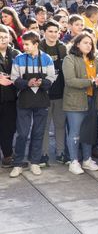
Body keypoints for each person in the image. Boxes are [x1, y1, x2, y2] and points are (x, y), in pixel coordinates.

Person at [9, 31, 55, 178]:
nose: (24, 47)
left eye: (27, 44)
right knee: (22, 133)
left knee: (38, 132)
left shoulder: (47, 58)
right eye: (23, 44)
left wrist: (42, 82)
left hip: (41, 99)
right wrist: (27, 83)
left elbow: (52, 78)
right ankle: (17, 164)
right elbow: (14, 79)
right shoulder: (19, 58)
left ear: (36, 44)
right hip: (24, 100)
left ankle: (34, 162)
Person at [62, 32, 98, 175]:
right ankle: (73, 161)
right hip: (75, 102)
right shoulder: (69, 59)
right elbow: (70, 81)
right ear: (77, 44)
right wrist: (91, 82)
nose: (88, 45)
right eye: (85, 42)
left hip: (92, 100)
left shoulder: (95, 60)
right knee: (75, 132)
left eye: (90, 43)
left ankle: (87, 160)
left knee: (88, 131)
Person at [39, 20, 68, 165]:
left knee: (60, 125)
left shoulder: (62, 48)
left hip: (60, 93)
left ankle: (60, 152)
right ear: (44, 32)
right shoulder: (39, 47)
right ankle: (43, 154)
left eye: (56, 32)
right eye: (50, 31)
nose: (53, 34)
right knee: (44, 126)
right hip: (43, 94)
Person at [0, 24, 21, 168]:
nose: (3, 40)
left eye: (5, 37)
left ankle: (7, 155)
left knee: (9, 128)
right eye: (0, 37)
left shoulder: (15, 54)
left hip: (11, 97)